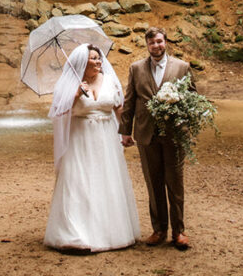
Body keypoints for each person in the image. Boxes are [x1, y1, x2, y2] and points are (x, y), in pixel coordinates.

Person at [43, 43, 140, 252]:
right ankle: (74, 235)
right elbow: (57, 113)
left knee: (106, 181)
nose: (98, 61)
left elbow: (119, 108)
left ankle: (111, 233)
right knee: (79, 183)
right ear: (82, 62)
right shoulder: (69, 84)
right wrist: (75, 95)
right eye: (93, 58)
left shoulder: (110, 80)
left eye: (99, 58)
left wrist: (125, 132)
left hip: (105, 139)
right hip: (79, 139)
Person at [119, 27, 195, 250]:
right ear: (147, 45)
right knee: (153, 183)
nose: (156, 46)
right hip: (146, 134)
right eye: (152, 43)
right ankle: (158, 229)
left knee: (175, 183)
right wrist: (125, 131)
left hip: (173, 134)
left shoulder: (182, 67)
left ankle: (178, 231)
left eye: (159, 42)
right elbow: (130, 101)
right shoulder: (136, 68)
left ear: (166, 42)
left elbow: (193, 98)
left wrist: (185, 126)